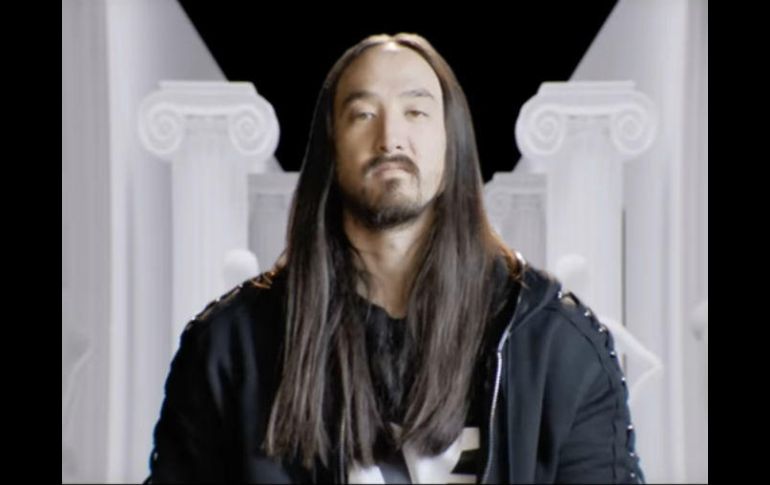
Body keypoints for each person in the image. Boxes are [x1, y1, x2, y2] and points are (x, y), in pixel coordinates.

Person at [145, 32, 645, 484]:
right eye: (363, 114)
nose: (390, 138)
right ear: (330, 148)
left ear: (453, 145)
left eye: (416, 112)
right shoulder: (230, 348)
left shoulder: (556, 345)